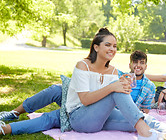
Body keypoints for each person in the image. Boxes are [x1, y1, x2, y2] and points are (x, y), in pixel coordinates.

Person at [0, 28, 164, 140]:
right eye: (108, 45)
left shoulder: (114, 71)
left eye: (115, 46)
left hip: (98, 115)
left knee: (133, 119)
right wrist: (114, 87)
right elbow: (85, 99)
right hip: (79, 115)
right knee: (56, 91)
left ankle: (165, 131)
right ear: (96, 47)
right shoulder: (82, 65)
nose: (113, 49)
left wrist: (123, 89)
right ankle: (13, 115)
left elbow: (118, 100)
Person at [0, 51, 157, 124]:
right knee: (56, 90)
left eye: (141, 63)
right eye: (135, 63)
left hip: (105, 111)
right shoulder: (119, 74)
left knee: (59, 115)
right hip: (88, 102)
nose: (138, 66)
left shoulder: (149, 87)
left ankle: (11, 128)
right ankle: (14, 112)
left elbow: (146, 110)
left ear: (146, 66)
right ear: (130, 64)